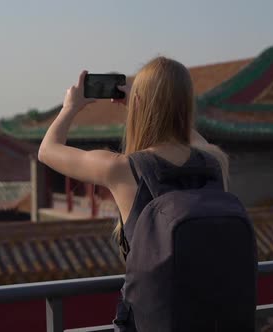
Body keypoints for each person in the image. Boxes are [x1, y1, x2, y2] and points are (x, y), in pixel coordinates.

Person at [38, 57, 235, 330]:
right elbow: (190, 137)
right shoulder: (215, 161)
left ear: (141, 106)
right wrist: (150, 105)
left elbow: (47, 150)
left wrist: (70, 108)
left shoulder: (124, 169)